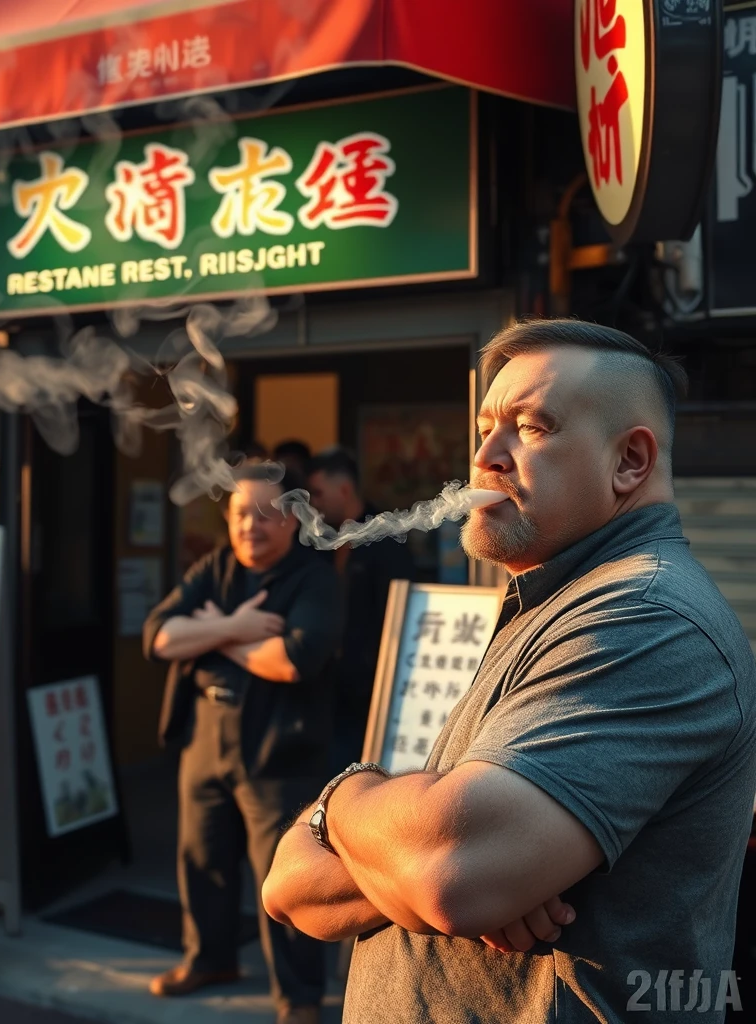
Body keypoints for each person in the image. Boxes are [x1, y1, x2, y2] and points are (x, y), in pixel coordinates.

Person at [262, 319, 756, 1023]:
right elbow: (288, 887)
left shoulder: (646, 617)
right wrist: (420, 852)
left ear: (630, 462)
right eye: (484, 428)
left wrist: (343, 801)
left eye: (530, 426)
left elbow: (447, 875)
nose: (485, 457)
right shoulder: (552, 600)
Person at [143, 461, 341, 1024]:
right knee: (202, 858)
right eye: (237, 514)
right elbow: (159, 636)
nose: (249, 526)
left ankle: (300, 998)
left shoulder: (316, 577)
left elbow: (291, 662)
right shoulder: (216, 568)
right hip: (206, 739)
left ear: (293, 518)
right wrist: (236, 628)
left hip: (278, 752)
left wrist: (208, 634)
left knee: (284, 877)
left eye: (263, 514)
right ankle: (209, 959)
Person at [306, 448, 417, 770]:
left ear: (343, 490)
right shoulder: (320, 539)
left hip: (369, 683)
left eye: (318, 493)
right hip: (328, 683)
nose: (314, 503)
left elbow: (396, 610)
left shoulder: (384, 536)